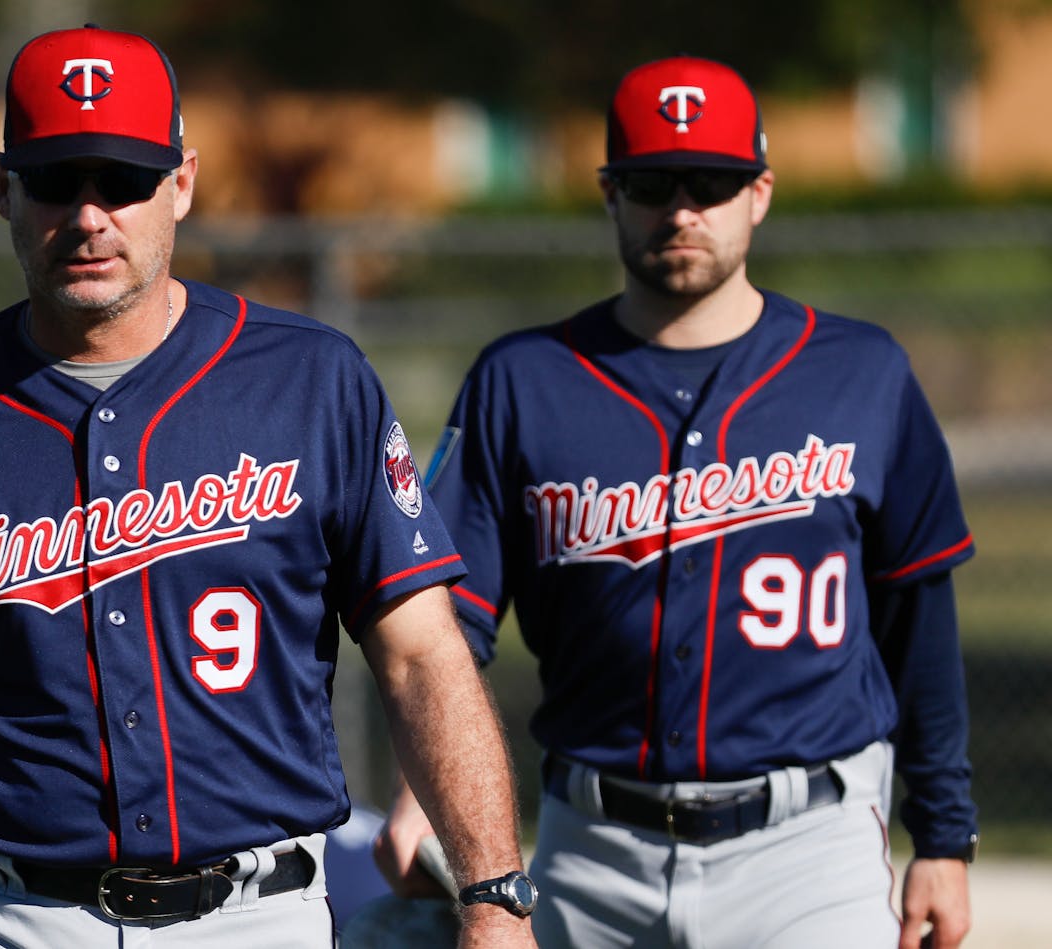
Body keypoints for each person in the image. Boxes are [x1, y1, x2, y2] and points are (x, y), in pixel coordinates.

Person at [0, 25, 536, 949]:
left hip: (257, 915)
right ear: (3, 185)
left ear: (183, 184)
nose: (89, 217)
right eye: (55, 180)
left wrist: (493, 897)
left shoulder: (312, 382)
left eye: (123, 180)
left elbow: (421, 657)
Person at [381, 56, 978, 948]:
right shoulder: (524, 379)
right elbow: (447, 620)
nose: (684, 208)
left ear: (761, 192)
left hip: (809, 848)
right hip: (590, 846)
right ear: (610, 194)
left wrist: (944, 834)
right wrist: (423, 792)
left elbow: (916, 614)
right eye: (654, 182)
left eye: (713, 181)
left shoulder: (862, 372)